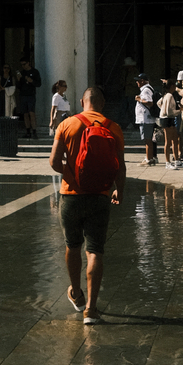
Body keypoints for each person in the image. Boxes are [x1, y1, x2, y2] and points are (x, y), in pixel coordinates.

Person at [50, 85, 126, 326]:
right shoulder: (113, 128)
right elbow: (120, 167)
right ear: (102, 104)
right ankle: (91, 310)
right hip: (100, 196)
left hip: (70, 196)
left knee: (72, 246)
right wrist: (118, 191)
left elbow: (54, 162)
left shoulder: (67, 124)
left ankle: (76, 291)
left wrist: (71, 174)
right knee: (95, 250)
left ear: (82, 102)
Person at [134, 72, 158, 166]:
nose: (137, 82)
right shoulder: (145, 89)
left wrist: (139, 100)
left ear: (142, 81)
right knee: (148, 139)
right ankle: (149, 157)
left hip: (146, 118)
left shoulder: (146, 90)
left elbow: (149, 102)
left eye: (138, 81)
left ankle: (149, 159)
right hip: (145, 118)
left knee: (147, 140)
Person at [158, 79, 181, 166]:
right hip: (167, 118)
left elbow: (158, 103)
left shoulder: (165, 95)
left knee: (175, 139)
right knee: (168, 141)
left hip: (167, 118)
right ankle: (167, 162)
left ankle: (176, 159)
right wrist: (179, 111)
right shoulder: (169, 96)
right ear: (172, 87)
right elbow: (169, 112)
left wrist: (162, 109)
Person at [18, 57, 41, 139]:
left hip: (31, 95)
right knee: (25, 114)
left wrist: (31, 81)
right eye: (21, 65)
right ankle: (28, 131)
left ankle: (34, 131)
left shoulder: (34, 72)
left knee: (32, 113)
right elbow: (19, 86)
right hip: (23, 94)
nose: (23, 66)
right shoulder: (22, 73)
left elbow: (38, 84)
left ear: (28, 63)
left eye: (24, 64)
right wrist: (19, 80)